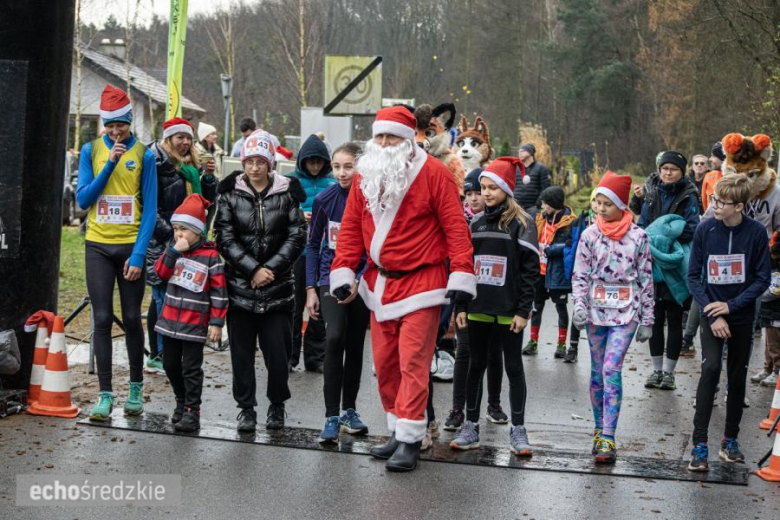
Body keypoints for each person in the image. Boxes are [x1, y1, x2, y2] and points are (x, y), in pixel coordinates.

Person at [330, 106, 476, 472]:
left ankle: (412, 439)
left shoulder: (435, 173)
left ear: (409, 138)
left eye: (391, 136)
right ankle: (397, 428)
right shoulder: (366, 172)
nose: (383, 143)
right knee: (386, 364)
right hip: (379, 284)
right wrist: (344, 269)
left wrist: (461, 276)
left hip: (422, 282)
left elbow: (456, 229)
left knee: (413, 362)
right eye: (379, 136)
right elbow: (350, 226)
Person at [215, 130, 307, 432]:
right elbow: (224, 238)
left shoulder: (287, 192)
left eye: (261, 162)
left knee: (278, 357)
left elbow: (296, 236)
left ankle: (277, 405)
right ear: (243, 163)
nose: (255, 168)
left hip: (278, 290)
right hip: (240, 290)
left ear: (271, 164)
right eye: (250, 161)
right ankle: (246, 409)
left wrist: (270, 270)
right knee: (241, 356)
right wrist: (252, 269)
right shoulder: (229, 194)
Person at [76, 85, 157, 421]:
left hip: (129, 247)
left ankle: (135, 387)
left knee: (132, 319)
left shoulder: (145, 155)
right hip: (97, 245)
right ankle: (105, 394)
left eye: (121, 125)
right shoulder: (90, 150)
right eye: (110, 126)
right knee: (101, 319)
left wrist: (139, 256)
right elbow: (83, 199)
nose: (115, 131)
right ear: (103, 125)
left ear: (128, 122)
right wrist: (109, 165)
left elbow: (151, 210)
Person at [449, 157, 540, 455]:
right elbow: (463, 266)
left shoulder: (523, 223)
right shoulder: (473, 222)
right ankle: (470, 426)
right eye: (482, 188)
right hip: (476, 307)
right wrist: (459, 305)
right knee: (475, 365)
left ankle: (518, 430)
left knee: (513, 367)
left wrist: (524, 311)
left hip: (508, 311)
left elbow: (529, 272)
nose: (485, 193)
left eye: (492, 188)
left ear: (506, 189)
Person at [687, 175, 771, 472]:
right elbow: (694, 275)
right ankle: (699, 445)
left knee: (737, 376)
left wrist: (732, 306)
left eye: (720, 202)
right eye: (713, 200)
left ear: (738, 206)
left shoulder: (756, 233)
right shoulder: (705, 229)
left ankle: (730, 440)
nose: (714, 205)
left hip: (742, 315)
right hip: (712, 314)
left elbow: (762, 277)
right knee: (710, 369)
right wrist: (714, 313)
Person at [572, 171, 654, 463]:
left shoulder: (639, 236)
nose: (601, 208)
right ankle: (597, 429)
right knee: (596, 373)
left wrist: (648, 319)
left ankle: (608, 436)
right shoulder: (589, 234)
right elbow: (580, 274)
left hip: (626, 312)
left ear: (622, 205)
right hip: (595, 313)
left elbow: (646, 278)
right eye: (598, 202)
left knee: (611, 369)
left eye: (607, 203)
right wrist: (578, 305)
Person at [305, 143, 372, 444]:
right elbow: (312, 244)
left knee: (355, 345)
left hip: (361, 279)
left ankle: (349, 410)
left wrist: (360, 278)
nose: (342, 173)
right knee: (334, 338)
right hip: (329, 277)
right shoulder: (324, 199)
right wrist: (310, 289)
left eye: (349, 166)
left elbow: (375, 246)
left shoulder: (371, 200)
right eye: (337, 166)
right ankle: (331, 415)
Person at [146, 118, 218, 374]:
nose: (185, 142)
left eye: (188, 138)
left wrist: (208, 178)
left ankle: (171, 353)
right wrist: (175, 238)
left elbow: (205, 203)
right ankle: (161, 353)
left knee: (179, 297)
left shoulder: (190, 167)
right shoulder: (155, 163)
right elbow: (149, 207)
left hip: (189, 243)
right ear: (168, 140)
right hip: (164, 242)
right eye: (179, 138)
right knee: (162, 297)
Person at [153, 194, 227, 432]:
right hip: (169, 321)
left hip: (194, 324)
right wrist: (173, 251)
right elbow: (159, 274)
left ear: (198, 231)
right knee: (170, 365)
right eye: (175, 229)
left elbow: (219, 291)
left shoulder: (210, 257)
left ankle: (192, 410)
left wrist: (216, 323)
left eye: (184, 229)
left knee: (191, 369)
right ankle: (180, 400)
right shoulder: (173, 251)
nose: (178, 234)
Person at [444, 167, 506, 430]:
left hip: (495, 298)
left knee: (494, 352)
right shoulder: (459, 220)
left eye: (478, 192)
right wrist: (458, 300)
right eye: (468, 193)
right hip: (468, 298)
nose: (474, 198)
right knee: (465, 351)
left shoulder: (503, 221)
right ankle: (458, 409)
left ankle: (493, 404)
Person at [637, 151, 699, 391]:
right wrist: (651, 240)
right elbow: (641, 225)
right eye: (665, 168)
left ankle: (670, 373)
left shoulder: (689, 196)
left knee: (674, 318)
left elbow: (691, 228)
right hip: (651, 261)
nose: (668, 172)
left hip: (675, 262)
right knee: (653, 317)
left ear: (682, 172)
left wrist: (662, 237)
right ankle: (655, 370)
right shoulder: (651, 193)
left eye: (673, 169)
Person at [287, 134, 336, 372]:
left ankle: (316, 358)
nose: (314, 166)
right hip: (297, 251)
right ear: (302, 161)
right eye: (310, 161)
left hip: (323, 252)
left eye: (318, 161)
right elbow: (280, 211)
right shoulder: (289, 181)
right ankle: (290, 355)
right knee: (294, 304)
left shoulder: (333, 182)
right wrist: (299, 215)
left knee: (318, 305)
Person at [523, 186, 576, 358]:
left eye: (545, 204)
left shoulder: (570, 221)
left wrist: (551, 249)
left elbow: (570, 245)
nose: (543, 207)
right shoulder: (539, 218)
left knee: (561, 307)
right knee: (537, 306)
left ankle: (561, 345)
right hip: (540, 271)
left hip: (557, 272)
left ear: (554, 203)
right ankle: (533, 342)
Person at [563, 189, 598, 362]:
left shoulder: (614, 224)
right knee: (578, 309)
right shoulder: (580, 221)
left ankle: (599, 351)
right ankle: (573, 347)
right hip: (582, 273)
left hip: (601, 279)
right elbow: (569, 244)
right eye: (595, 201)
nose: (598, 206)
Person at [753, 232, 780, 386]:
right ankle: (768, 368)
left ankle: (777, 370)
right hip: (768, 307)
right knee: (769, 340)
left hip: (775, 306)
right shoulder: (768, 259)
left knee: (775, 341)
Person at [514, 143, 551, 212]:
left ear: (530, 152)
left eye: (523, 151)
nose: (520, 153)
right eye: (519, 152)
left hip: (532, 209)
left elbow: (545, 188)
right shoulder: (516, 168)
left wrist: (537, 205)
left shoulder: (541, 168)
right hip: (516, 208)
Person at [700, 141, 725, 213]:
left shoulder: (737, 178)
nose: (710, 159)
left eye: (713, 156)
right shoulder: (708, 176)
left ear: (723, 158)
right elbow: (705, 204)